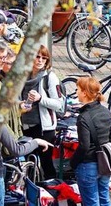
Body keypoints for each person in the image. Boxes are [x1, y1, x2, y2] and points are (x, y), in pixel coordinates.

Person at [70, 77, 111, 206]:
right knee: (105, 199)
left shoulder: (83, 117)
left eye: (78, 89)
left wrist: (73, 162)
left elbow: (84, 146)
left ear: (84, 93)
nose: (76, 92)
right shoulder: (105, 111)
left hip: (88, 165)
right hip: (105, 164)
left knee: (91, 202)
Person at [20, 46, 65, 179]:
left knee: (46, 163)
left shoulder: (49, 78)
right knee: (29, 162)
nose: (40, 60)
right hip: (25, 125)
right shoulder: (23, 76)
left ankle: (50, 192)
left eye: (44, 58)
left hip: (44, 129)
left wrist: (40, 99)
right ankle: (32, 192)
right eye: (37, 57)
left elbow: (59, 104)